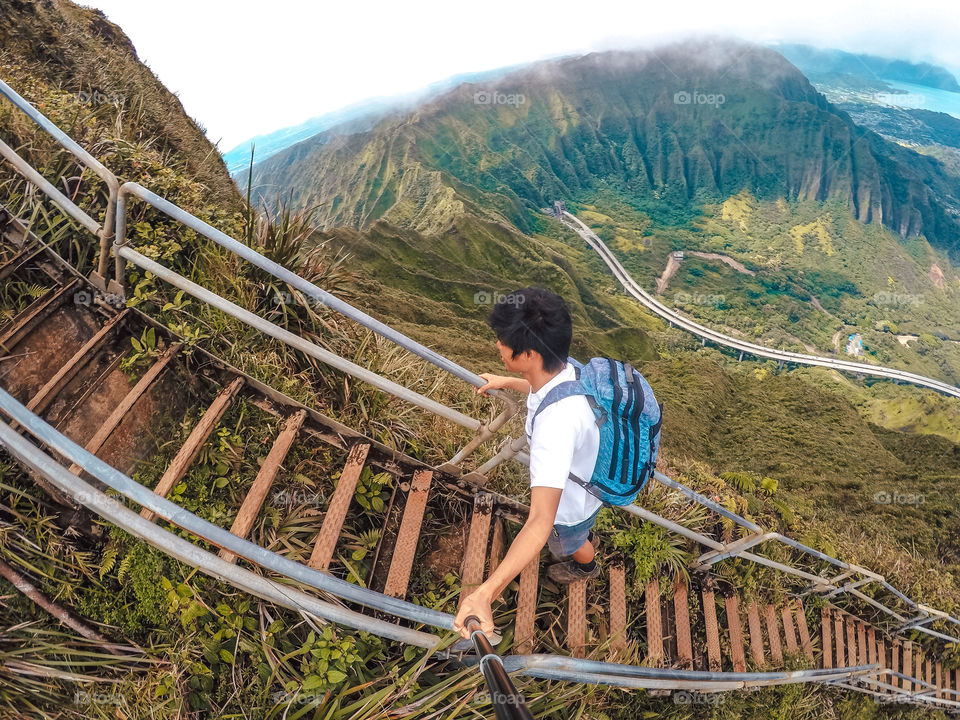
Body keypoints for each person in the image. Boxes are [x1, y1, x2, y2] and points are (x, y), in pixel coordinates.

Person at [453, 287, 602, 640]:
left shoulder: (557, 425)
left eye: (503, 342)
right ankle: (582, 546)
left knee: (568, 541)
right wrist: (507, 380)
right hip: (582, 479)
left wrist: (484, 594)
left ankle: (588, 566)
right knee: (570, 532)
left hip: (570, 508)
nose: (498, 347)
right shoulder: (566, 371)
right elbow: (542, 389)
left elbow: (539, 521)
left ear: (530, 353)